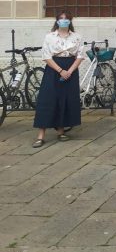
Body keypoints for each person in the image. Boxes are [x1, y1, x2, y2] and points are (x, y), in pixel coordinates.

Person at [33, 10, 85, 148]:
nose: (63, 21)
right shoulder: (50, 37)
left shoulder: (77, 37)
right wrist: (61, 71)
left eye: (66, 18)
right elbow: (46, 56)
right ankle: (40, 135)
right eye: (61, 18)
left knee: (65, 99)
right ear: (56, 21)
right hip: (54, 68)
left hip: (71, 69)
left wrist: (70, 71)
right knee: (48, 98)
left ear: (70, 21)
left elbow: (80, 56)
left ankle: (61, 131)